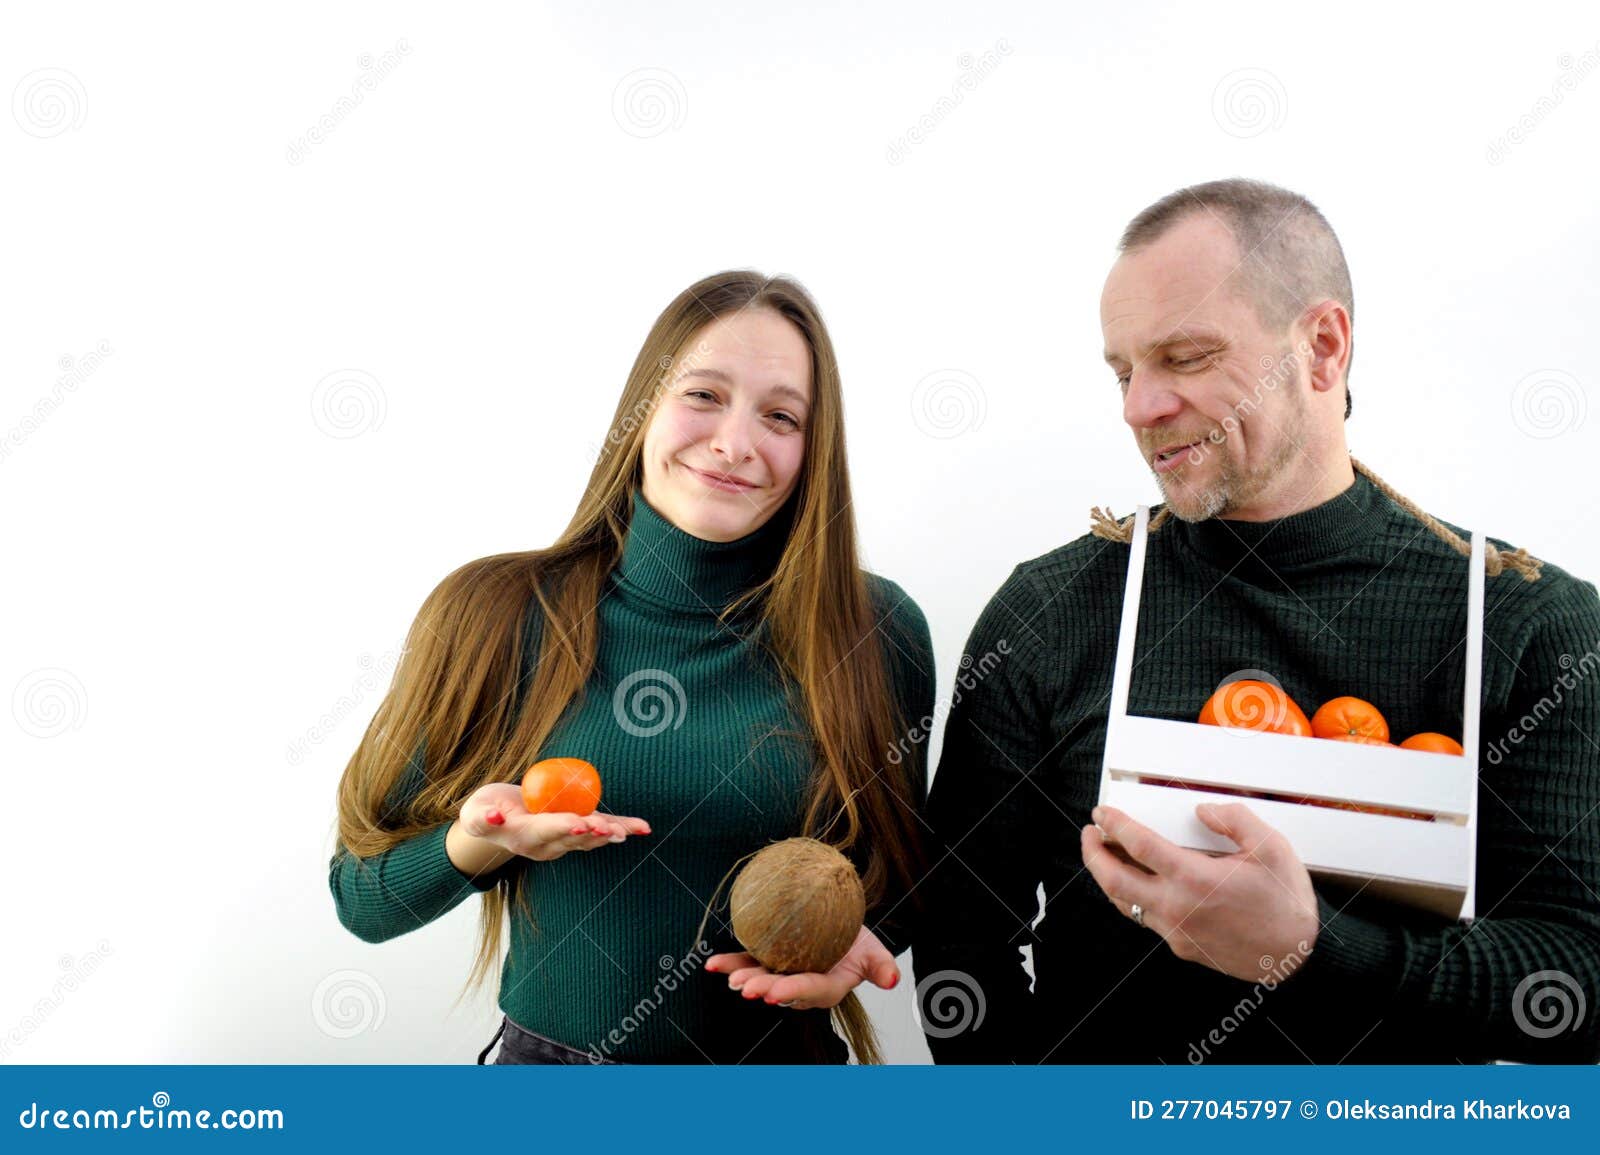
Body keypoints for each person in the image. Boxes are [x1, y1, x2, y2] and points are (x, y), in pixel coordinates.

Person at [913, 178, 1600, 1064]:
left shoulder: (1527, 623)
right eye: (1124, 371)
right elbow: (961, 942)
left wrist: (1309, 949)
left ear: (1322, 347)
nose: (1138, 407)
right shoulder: (1054, 611)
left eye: (1185, 358)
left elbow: (1578, 985)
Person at [329, 270, 933, 1064]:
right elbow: (363, 899)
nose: (734, 442)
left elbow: (906, 875)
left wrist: (862, 945)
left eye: (780, 415)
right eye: (705, 394)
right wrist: (482, 838)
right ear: (643, 405)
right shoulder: (498, 612)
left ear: (813, 451)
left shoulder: (874, 629)